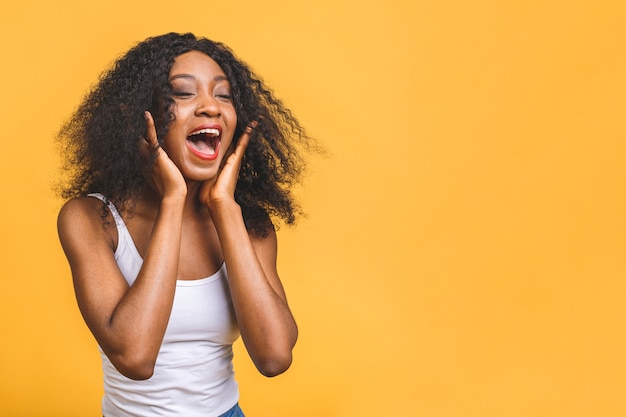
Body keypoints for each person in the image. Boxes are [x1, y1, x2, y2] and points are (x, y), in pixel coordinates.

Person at [56, 32, 312, 417]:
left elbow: (275, 356)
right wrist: (173, 200)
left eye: (223, 95)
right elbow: (135, 356)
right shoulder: (94, 219)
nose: (211, 107)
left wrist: (224, 207)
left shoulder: (250, 225)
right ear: (138, 117)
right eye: (183, 92)